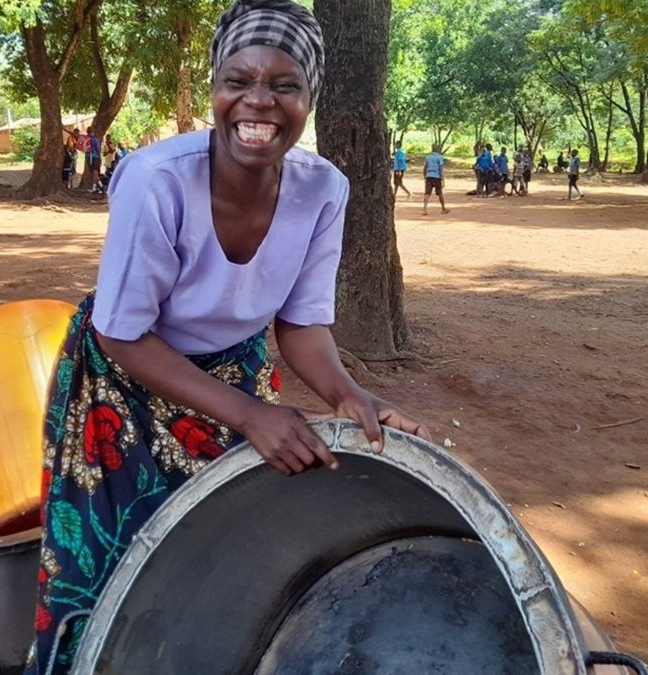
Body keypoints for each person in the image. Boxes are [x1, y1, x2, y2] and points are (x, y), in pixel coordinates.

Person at [24, 2, 428, 673]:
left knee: (225, 548)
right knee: (106, 560)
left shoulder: (323, 189)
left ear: (310, 97)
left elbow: (300, 325)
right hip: (120, 385)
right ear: (215, 85)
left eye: (284, 85)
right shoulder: (157, 181)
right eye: (238, 80)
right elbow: (122, 332)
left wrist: (346, 391)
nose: (258, 102)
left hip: (237, 375)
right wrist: (251, 415)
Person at [423, 143, 448, 215]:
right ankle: (443, 208)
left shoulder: (428, 157)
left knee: (427, 193)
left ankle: (424, 209)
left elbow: (425, 168)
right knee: (440, 193)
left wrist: (425, 176)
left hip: (428, 176)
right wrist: (443, 179)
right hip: (436, 177)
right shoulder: (439, 157)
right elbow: (441, 169)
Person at [85, 127, 102, 192]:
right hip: (95, 157)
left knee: (93, 173)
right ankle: (94, 188)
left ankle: (101, 186)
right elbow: (98, 149)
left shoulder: (85, 139)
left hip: (88, 157)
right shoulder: (96, 139)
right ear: (92, 132)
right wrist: (99, 157)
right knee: (95, 173)